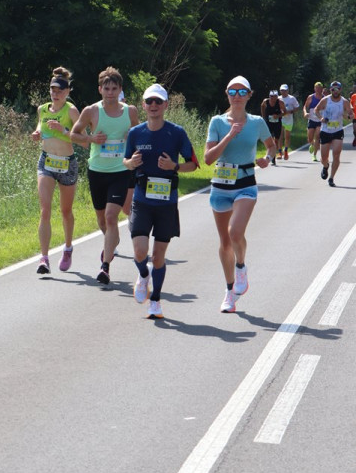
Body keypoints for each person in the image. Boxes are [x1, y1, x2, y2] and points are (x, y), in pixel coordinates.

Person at [123, 83, 199, 319]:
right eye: (149, 102)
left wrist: (174, 166)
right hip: (142, 199)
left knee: (158, 257)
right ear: (144, 105)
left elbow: (194, 163)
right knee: (139, 252)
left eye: (158, 102)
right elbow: (125, 160)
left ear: (166, 105)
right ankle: (143, 276)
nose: (153, 106)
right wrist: (130, 164)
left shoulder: (176, 132)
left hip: (166, 203)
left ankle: (155, 301)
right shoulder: (136, 133)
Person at [204, 76, 275, 313]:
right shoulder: (217, 122)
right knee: (224, 242)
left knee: (235, 232)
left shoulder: (256, 122)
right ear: (227, 94)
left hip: (245, 183)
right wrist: (229, 135)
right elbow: (208, 158)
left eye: (241, 91)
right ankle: (229, 291)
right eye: (232, 91)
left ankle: (241, 266)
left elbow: (271, 144)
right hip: (221, 185)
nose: (236, 95)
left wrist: (267, 158)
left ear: (249, 95)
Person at [71, 67, 138, 284]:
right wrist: (91, 139)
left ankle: (105, 266)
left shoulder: (130, 111)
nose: (110, 93)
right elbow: (74, 134)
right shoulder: (91, 111)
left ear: (120, 90)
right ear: (100, 89)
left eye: (114, 89)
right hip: (97, 171)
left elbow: (141, 134)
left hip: (121, 171)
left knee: (111, 216)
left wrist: (132, 136)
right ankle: (112, 243)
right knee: (102, 220)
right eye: (106, 88)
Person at [31, 67, 80, 275]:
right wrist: (37, 133)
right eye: (53, 89)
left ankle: (68, 248)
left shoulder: (71, 111)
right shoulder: (42, 109)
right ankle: (44, 258)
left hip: (66, 163)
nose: (55, 93)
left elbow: (82, 139)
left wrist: (64, 131)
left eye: (59, 90)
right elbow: (41, 128)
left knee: (66, 211)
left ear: (68, 91)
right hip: (46, 161)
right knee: (45, 209)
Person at [313, 80, 351, 187]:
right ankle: (325, 166)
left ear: (340, 90)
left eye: (337, 89)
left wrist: (350, 116)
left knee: (336, 154)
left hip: (338, 131)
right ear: (330, 90)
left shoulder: (344, 102)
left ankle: (331, 178)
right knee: (324, 158)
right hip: (325, 131)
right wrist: (321, 118)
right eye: (333, 89)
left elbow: (348, 113)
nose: (335, 91)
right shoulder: (325, 100)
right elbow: (316, 110)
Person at [260, 90, 285, 165]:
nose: (272, 98)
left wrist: (278, 116)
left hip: (277, 123)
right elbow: (262, 107)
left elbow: (285, 112)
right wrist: (264, 117)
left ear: (277, 97)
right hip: (268, 123)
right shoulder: (265, 101)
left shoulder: (280, 102)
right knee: (269, 139)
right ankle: (271, 156)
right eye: (270, 96)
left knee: (276, 140)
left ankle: (273, 155)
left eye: (274, 97)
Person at [277, 84, 299, 160]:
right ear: (280, 91)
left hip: (289, 119)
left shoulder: (292, 98)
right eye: (282, 90)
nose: (283, 92)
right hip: (281, 119)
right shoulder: (278, 98)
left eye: (285, 90)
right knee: (280, 136)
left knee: (287, 136)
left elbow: (297, 107)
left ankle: (286, 151)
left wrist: (290, 111)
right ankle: (280, 152)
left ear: (287, 91)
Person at [303, 82, 324, 161]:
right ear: (314, 89)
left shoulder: (324, 98)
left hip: (320, 120)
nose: (318, 90)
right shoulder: (311, 97)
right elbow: (305, 106)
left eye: (320, 88)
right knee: (310, 138)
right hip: (311, 119)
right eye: (317, 88)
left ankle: (314, 155)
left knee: (318, 136)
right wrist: (305, 113)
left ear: (322, 89)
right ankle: (312, 143)